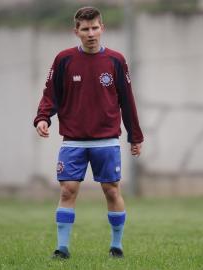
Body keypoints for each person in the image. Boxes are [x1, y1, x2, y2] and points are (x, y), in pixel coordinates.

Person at [34, 6, 144, 259]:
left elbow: (127, 100)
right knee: (67, 190)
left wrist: (134, 136)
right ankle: (62, 248)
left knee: (112, 191)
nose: (91, 33)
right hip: (73, 139)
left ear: (102, 28)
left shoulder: (116, 60)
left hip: (106, 140)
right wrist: (43, 118)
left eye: (95, 28)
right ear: (77, 32)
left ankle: (116, 246)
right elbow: (51, 93)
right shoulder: (64, 59)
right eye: (85, 29)